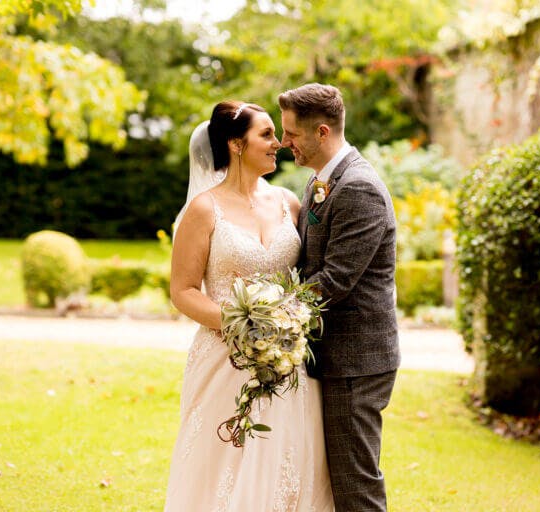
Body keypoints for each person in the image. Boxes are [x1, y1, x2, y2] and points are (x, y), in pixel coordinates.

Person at [164, 100, 334, 512]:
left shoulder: (289, 203)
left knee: (285, 459)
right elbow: (183, 290)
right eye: (266, 135)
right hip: (224, 359)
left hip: (287, 359)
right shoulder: (203, 210)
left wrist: (284, 325)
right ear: (236, 144)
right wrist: (242, 326)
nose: (278, 142)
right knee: (226, 460)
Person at [279, 83, 400, 512]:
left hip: (356, 360)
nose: (283, 142)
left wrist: (269, 312)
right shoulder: (324, 179)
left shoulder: (358, 187)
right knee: (337, 481)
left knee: (355, 486)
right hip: (333, 355)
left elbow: (335, 279)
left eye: (291, 134)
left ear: (323, 132)